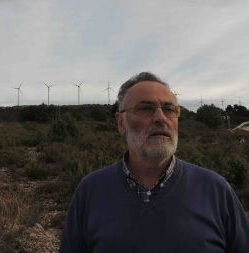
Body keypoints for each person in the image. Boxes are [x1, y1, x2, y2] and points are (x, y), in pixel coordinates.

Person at [59, 72, 249, 253]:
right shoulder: (91, 190)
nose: (160, 118)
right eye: (145, 108)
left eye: (169, 109)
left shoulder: (216, 190)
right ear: (120, 123)